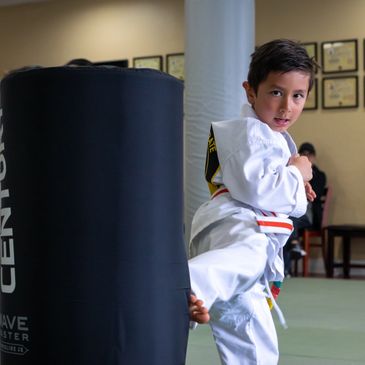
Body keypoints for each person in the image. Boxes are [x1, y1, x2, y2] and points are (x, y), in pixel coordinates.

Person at [187, 39, 317, 365]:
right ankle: (187, 285)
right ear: (250, 92)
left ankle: (194, 290)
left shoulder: (271, 137)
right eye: (276, 92)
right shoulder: (249, 132)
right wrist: (298, 174)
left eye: (297, 96)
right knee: (249, 257)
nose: (287, 106)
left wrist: (296, 182)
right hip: (234, 226)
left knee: (253, 338)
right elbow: (262, 191)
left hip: (244, 241)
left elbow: (274, 188)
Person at [283, 142, 327, 276]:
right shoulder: (291, 171)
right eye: (304, 154)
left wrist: (304, 178)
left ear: (313, 157)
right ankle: (287, 266)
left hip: (309, 215)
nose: (307, 157)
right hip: (294, 211)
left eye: (309, 154)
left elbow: (315, 194)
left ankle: (294, 246)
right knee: (286, 222)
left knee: (292, 216)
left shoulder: (319, 175)